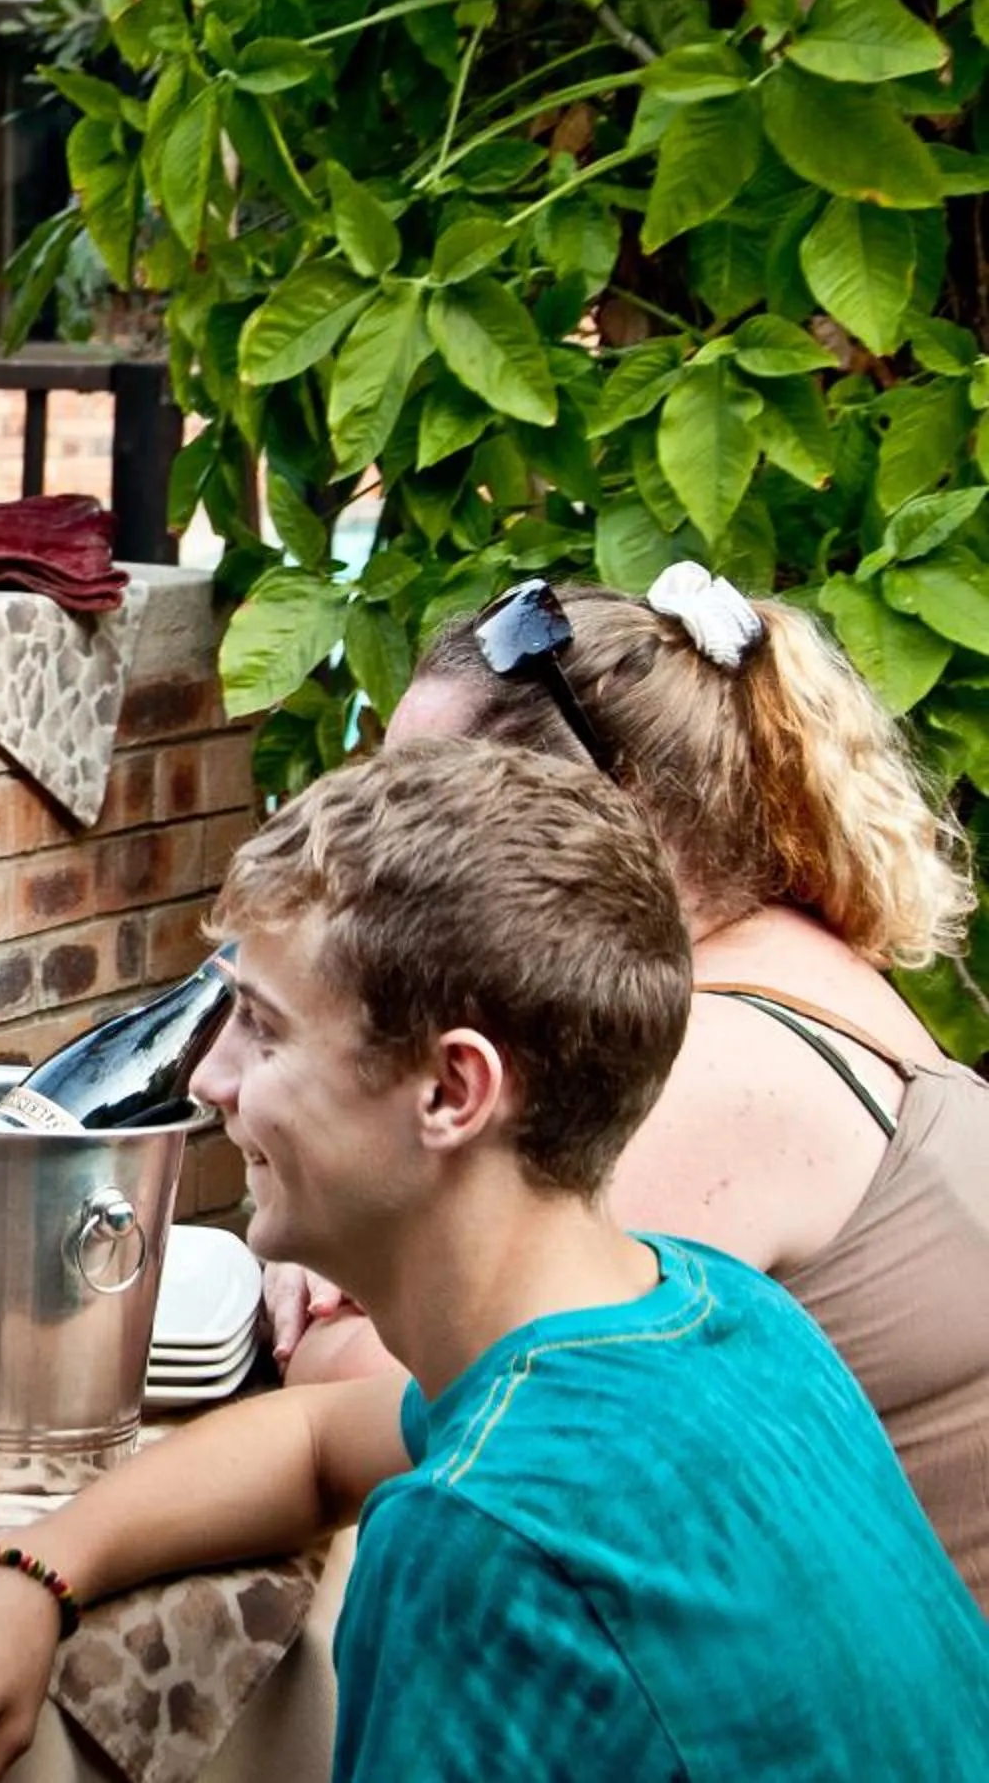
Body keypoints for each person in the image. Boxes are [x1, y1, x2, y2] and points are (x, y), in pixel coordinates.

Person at [0, 742, 989, 1783]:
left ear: (452, 1090)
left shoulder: (479, 1534)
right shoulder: (715, 1313)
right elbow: (314, 1440)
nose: (208, 1080)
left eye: (264, 1029)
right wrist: (27, 1569)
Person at [272, 569, 989, 1604]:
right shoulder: (787, 964)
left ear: (604, 823)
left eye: (426, 814)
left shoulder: (710, 1065)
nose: (380, 871)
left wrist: (333, 1275)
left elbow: (439, 1414)